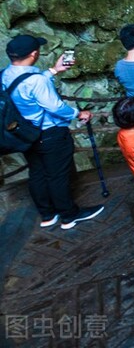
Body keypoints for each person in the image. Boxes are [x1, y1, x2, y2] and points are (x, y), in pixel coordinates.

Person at [3, 35, 105, 230]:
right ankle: (69, 215)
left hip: (26, 134)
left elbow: (25, 86)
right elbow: (55, 107)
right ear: (34, 54)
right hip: (49, 134)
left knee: (37, 173)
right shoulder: (37, 81)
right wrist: (78, 113)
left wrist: (53, 71)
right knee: (57, 176)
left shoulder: (4, 75)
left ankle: (47, 215)